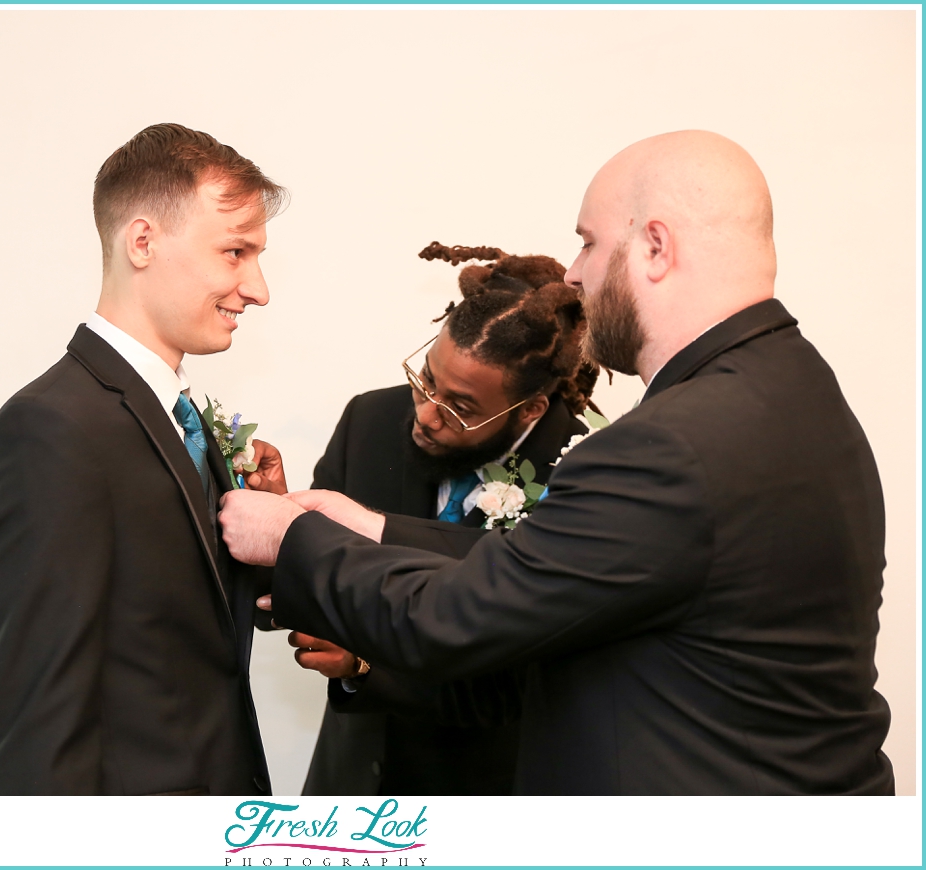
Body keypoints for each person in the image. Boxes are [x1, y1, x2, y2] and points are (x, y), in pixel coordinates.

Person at [220, 131, 895, 794]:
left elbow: (462, 615)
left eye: (591, 242)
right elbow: (552, 580)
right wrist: (372, 528)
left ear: (656, 247)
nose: (574, 273)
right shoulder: (798, 391)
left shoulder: (668, 446)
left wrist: (292, 538)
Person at [0, 123, 287, 795]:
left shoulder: (183, 416)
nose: (257, 288)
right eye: (235, 252)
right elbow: (39, 721)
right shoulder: (51, 432)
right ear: (142, 241)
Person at [295, 244, 596, 795]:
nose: (425, 414)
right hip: (354, 782)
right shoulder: (370, 419)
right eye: (425, 379)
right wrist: (275, 515)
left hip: (485, 790)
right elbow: (313, 573)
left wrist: (367, 665)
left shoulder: (585, 476)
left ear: (531, 408)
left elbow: (531, 675)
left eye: (459, 407)